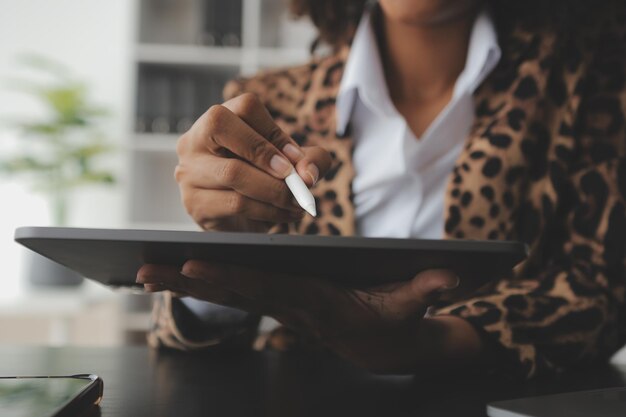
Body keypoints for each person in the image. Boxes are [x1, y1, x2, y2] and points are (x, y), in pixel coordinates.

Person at [136, 0, 626, 379]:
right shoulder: (269, 105)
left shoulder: (591, 88)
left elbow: (600, 294)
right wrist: (227, 249)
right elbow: (179, 345)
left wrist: (426, 346)